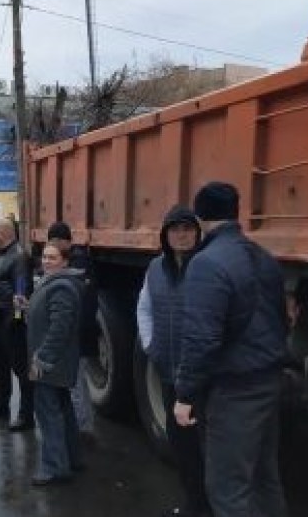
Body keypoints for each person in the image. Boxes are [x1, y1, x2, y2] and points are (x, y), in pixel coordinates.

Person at [173, 182, 288, 517]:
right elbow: (281, 317)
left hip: (234, 389)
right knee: (266, 478)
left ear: (200, 217)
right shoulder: (263, 256)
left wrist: (185, 395)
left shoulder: (206, 263)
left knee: (227, 489)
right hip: (268, 379)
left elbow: (202, 339)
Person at [137, 206, 210, 517]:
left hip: (204, 375)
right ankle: (194, 502)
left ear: (198, 233)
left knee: (210, 443)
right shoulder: (155, 268)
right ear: (165, 236)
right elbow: (144, 309)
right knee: (181, 444)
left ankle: (216, 503)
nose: (182, 235)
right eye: (175, 229)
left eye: (188, 229)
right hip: (169, 373)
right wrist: (151, 345)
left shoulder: (208, 267)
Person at [26, 239, 85, 486]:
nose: (46, 261)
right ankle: (71, 458)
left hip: (51, 363)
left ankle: (54, 468)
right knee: (63, 410)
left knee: (48, 414)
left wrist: (43, 358)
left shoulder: (61, 286)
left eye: (53, 258)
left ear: (65, 261)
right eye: (45, 257)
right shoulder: (54, 282)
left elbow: (60, 328)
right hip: (56, 362)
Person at [0, 218, 34, 430]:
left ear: (3, 233)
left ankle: (26, 415)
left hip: (11, 323)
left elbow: (22, 291)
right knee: (0, 367)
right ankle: (0, 406)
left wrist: (17, 322)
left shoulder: (19, 257)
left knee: (20, 370)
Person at [48, 221, 97, 435]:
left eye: (56, 241)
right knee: (77, 384)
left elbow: (80, 307)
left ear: (65, 241)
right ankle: (82, 425)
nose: (53, 246)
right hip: (79, 335)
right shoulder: (76, 262)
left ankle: (79, 429)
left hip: (77, 336)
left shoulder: (77, 266)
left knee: (75, 385)